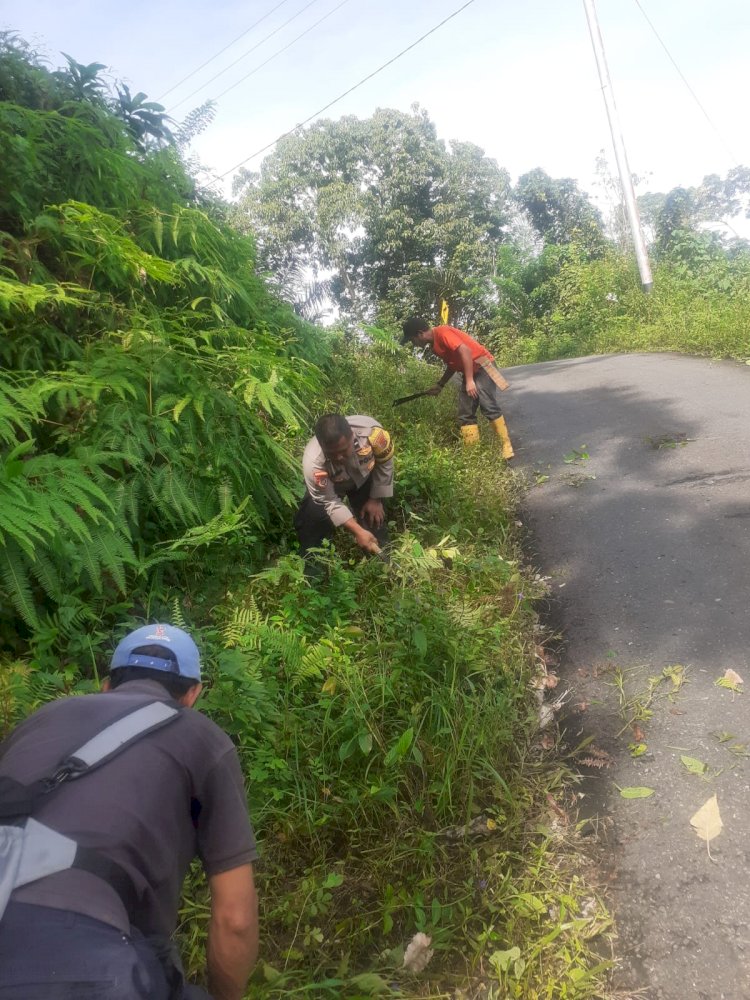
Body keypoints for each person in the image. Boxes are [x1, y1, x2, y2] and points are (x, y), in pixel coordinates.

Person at [0, 623, 259, 1000]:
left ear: (106, 685)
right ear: (192, 694)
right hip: (81, 957)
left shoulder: (40, 719)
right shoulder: (203, 738)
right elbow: (234, 919)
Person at [401, 317, 515, 458]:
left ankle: (506, 445)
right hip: (470, 370)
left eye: (412, 340)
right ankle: (472, 454)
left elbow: (465, 351)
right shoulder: (435, 346)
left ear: (419, 334)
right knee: (465, 412)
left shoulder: (442, 333)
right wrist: (440, 384)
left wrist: (469, 381)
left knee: (488, 405)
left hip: (483, 364)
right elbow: (453, 364)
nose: (413, 344)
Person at [295, 413, 394, 562]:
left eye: (343, 450)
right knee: (312, 523)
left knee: (374, 523)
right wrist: (357, 531)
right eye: (332, 454)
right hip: (331, 488)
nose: (339, 458)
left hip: (364, 480)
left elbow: (385, 462)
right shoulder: (313, 462)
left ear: (352, 436)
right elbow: (328, 500)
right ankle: (312, 570)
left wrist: (375, 499)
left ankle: (384, 564)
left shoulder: (373, 434)